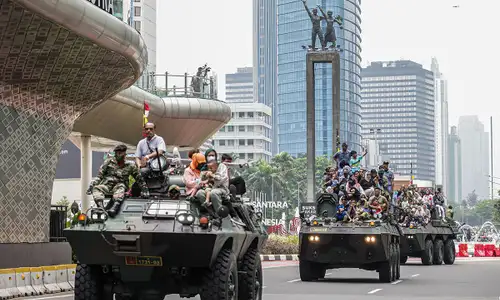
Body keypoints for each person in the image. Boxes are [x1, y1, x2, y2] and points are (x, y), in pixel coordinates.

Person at [88, 144, 149, 217]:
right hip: (107, 186)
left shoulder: (130, 165)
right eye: (118, 153)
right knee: (96, 188)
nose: (119, 155)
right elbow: (99, 176)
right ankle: (101, 208)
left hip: (120, 187)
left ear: (124, 154)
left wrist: (144, 189)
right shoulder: (108, 162)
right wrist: (92, 184)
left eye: (121, 153)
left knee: (121, 186)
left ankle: (115, 208)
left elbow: (139, 178)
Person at [195, 149, 230, 216]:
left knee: (214, 192)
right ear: (206, 157)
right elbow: (200, 181)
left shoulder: (221, 166)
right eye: (209, 155)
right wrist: (203, 182)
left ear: (216, 156)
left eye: (213, 155)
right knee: (199, 193)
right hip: (208, 187)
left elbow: (222, 179)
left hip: (221, 188)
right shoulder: (204, 168)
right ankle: (211, 212)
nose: (211, 157)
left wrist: (212, 176)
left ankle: (219, 213)